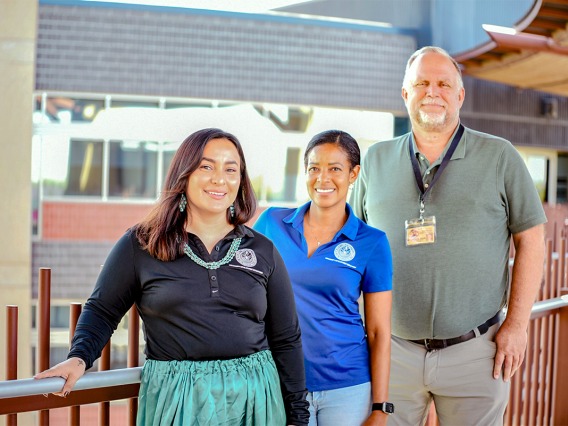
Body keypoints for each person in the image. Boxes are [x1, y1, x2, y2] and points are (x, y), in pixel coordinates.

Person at [35, 128, 310, 426]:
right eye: (207, 166)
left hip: (256, 398)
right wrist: (79, 358)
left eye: (231, 169)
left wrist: (297, 416)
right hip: (177, 397)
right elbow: (102, 310)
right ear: (184, 174)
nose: (220, 179)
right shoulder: (140, 244)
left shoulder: (262, 249)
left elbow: (286, 339)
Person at [350, 46, 547, 426]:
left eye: (443, 83)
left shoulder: (500, 156)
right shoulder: (374, 160)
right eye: (421, 83)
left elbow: (532, 241)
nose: (432, 92)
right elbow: (351, 244)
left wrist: (517, 326)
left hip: (477, 352)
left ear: (460, 95)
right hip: (392, 351)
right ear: (405, 94)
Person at [254, 130, 394, 426]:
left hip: (348, 388)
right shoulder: (271, 224)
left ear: (354, 174)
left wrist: (380, 408)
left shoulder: (373, 242)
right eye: (314, 168)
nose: (323, 178)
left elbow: (380, 332)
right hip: (282, 381)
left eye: (335, 169)